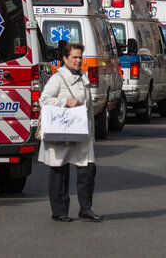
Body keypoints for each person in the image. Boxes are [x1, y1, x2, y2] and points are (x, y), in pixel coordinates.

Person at [38, 43, 102, 222]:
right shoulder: (57, 78)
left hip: (81, 132)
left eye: (80, 57)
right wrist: (65, 101)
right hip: (61, 132)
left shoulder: (83, 77)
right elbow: (44, 100)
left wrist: (92, 134)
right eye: (74, 57)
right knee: (59, 171)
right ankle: (59, 211)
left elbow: (88, 108)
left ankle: (86, 208)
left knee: (88, 170)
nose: (78, 60)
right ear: (65, 59)